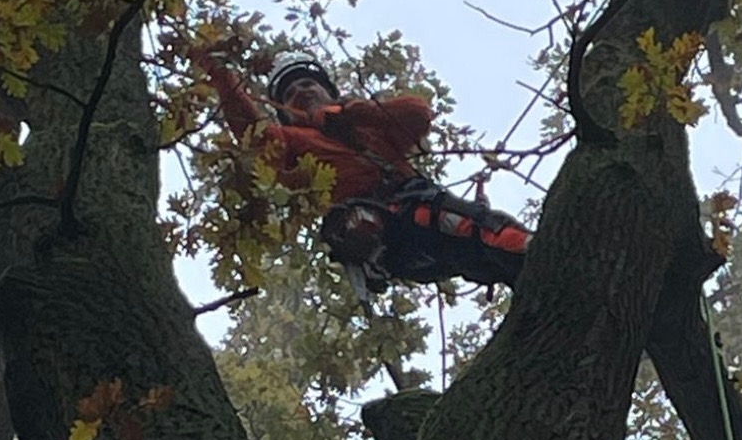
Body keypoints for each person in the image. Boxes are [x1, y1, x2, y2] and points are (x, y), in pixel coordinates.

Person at [195, 48, 530, 298]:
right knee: (484, 230)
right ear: (285, 112)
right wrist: (222, 74)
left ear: (328, 90)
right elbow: (252, 132)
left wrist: (353, 112)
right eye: (290, 93)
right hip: (388, 229)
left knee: (483, 251)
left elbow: (418, 114)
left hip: (418, 214)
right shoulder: (292, 144)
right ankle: (535, 255)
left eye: (309, 83)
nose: (301, 91)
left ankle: (532, 275)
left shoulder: (366, 127)